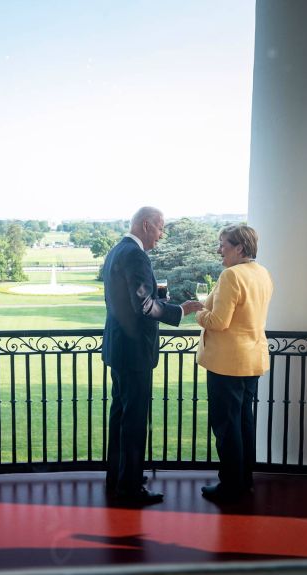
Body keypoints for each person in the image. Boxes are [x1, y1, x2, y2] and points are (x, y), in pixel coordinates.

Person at [102, 206, 202, 505]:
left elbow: (130, 299)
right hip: (134, 353)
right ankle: (130, 489)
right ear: (146, 225)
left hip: (118, 349)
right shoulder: (135, 255)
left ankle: (119, 477)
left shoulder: (116, 251)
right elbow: (144, 306)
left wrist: (156, 299)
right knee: (133, 421)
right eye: (160, 227)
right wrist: (179, 310)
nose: (162, 234)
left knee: (120, 415)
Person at [195, 223, 273, 503]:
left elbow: (219, 321)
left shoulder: (231, 275)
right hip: (252, 359)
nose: (219, 248)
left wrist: (198, 313)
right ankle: (244, 481)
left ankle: (229, 486)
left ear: (239, 247)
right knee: (243, 423)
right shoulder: (262, 273)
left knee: (227, 427)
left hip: (227, 364)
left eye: (223, 243)